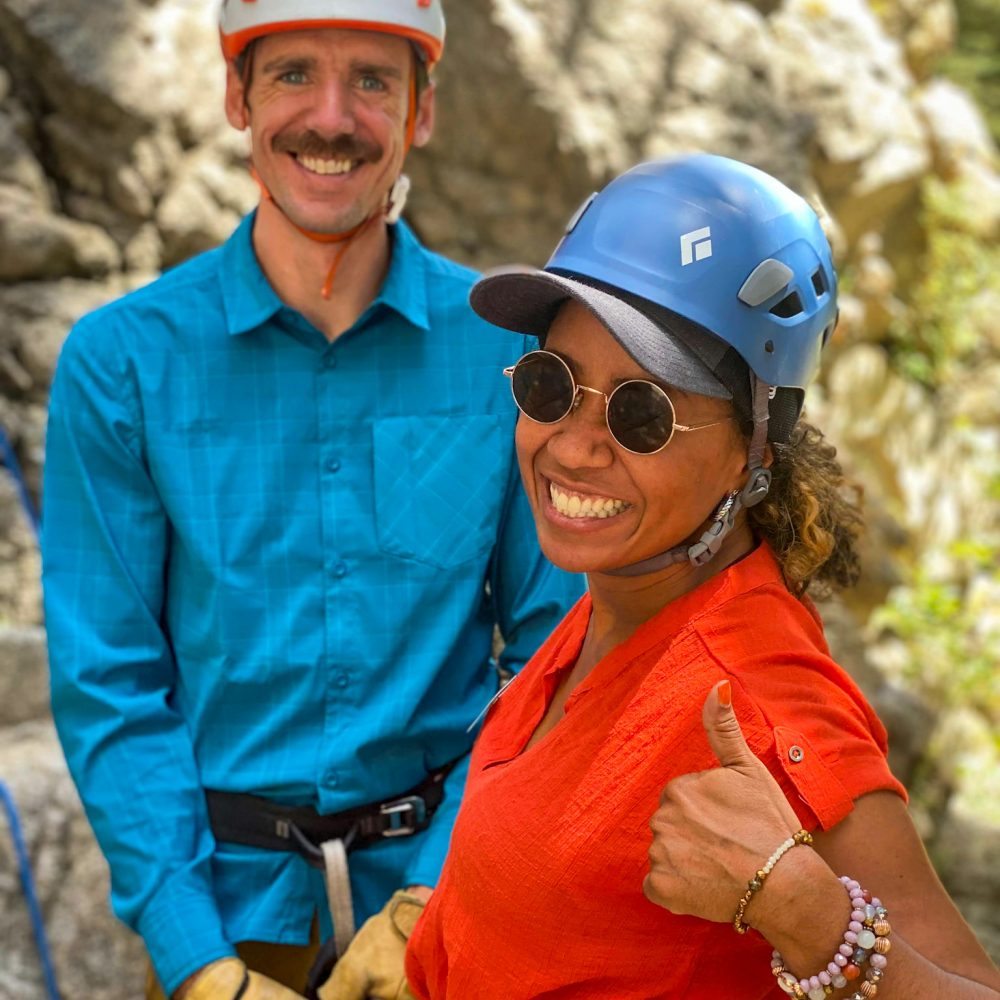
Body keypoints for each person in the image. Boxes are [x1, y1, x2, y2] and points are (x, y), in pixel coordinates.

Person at [40, 3, 582, 999]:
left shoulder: (506, 356)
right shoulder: (123, 366)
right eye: (292, 74)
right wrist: (197, 962)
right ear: (236, 97)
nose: (331, 118)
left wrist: (427, 901)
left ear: (422, 110)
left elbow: (553, 654)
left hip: (457, 898)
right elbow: (111, 683)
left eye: (373, 80)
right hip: (227, 914)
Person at [403, 154, 1000, 999]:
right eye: (551, 385)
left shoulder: (756, 698)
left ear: (754, 447)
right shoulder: (622, 604)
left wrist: (808, 912)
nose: (573, 445)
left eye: (640, 411)